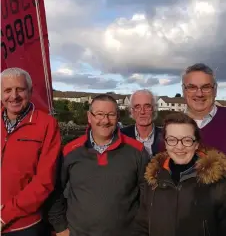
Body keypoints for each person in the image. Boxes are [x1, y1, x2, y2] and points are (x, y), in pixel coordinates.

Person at [48, 94, 149, 236]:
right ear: (89, 117)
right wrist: (60, 227)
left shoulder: (137, 151)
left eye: (111, 115)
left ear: (118, 117)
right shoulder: (70, 151)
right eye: (99, 114)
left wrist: (141, 231)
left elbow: (148, 197)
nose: (105, 121)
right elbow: (55, 191)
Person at [133, 112, 226, 236]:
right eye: (172, 140)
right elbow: (142, 226)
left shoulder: (218, 183)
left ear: (196, 144)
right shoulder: (153, 181)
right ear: (165, 143)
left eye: (187, 140)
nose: (179, 146)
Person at [1, 68, 61, 236]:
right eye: (7, 90)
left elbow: (45, 181)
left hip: (25, 226)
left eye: (20, 89)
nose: (14, 96)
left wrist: (4, 215)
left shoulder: (47, 125)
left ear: (30, 91)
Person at [182, 63, 226, 153]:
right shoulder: (171, 127)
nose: (199, 94)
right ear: (183, 90)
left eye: (206, 87)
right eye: (192, 87)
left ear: (215, 90)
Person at [121, 89, 162, 157]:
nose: (142, 112)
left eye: (147, 106)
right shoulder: (120, 136)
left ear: (154, 109)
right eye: (137, 107)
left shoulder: (166, 137)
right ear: (132, 111)